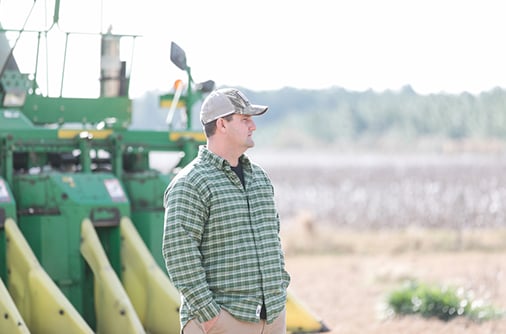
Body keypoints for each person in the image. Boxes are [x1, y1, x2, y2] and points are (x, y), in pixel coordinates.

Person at [162, 87, 290, 334]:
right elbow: (179, 256)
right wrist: (211, 318)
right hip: (222, 322)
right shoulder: (191, 182)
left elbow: (272, 239)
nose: (253, 126)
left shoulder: (260, 178)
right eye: (245, 119)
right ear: (221, 124)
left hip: (272, 317)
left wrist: (279, 291)